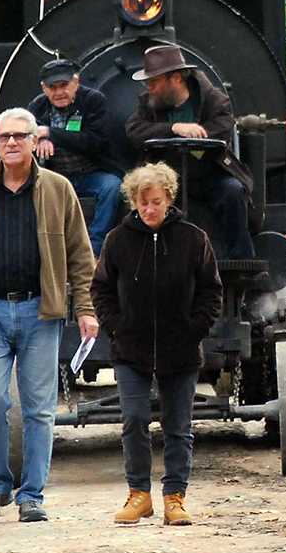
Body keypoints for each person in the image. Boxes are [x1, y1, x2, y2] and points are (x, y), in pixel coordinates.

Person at [0, 107, 98, 522]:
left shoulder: (58, 189)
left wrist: (84, 308)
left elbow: (81, 256)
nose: (11, 143)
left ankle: (33, 494)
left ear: (34, 141)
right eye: (3, 137)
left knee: (39, 408)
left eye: (19, 136)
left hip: (40, 311)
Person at [92, 163, 222, 526]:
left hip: (180, 349)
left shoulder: (194, 238)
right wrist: (115, 326)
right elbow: (100, 288)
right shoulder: (118, 240)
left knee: (178, 426)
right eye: (142, 203)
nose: (149, 209)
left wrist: (195, 329)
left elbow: (212, 290)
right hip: (130, 349)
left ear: (169, 199)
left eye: (156, 202)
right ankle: (139, 495)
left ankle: (175, 497)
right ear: (133, 202)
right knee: (134, 420)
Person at [126, 44, 257, 260]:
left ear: (176, 79)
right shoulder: (146, 104)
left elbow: (222, 129)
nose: (150, 87)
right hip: (166, 179)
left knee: (232, 191)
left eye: (154, 82)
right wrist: (174, 129)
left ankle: (242, 260)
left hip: (208, 174)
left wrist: (195, 139)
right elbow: (134, 130)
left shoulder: (214, 100)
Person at [28, 59, 124, 256]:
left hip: (92, 173)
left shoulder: (94, 101)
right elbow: (28, 135)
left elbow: (95, 141)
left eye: (63, 86)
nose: (58, 92)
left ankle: (94, 249)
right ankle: (47, 249)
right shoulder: (37, 107)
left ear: (76, 82)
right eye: (52, 87)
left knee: (112, 186)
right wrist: (39, 140)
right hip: (56, 176)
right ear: (43, 88)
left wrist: (50, 133)